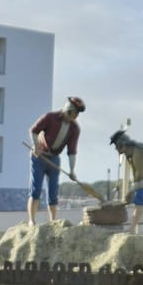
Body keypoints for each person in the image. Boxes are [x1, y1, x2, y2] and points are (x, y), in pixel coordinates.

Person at [26, 96, 86, 225]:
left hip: (54, 159)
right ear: (67, 109)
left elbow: (72, 151)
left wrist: (72, 170)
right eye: (73, 113)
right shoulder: (50, 117)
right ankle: (32, 220)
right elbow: (33, 130)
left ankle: (52, 221)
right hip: (39, 157)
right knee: (35, 189)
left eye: (76, 115)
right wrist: (36, 146)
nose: (74, 117)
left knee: (53, 192)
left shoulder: (74, 129)